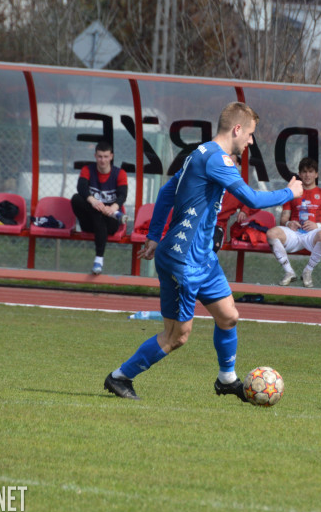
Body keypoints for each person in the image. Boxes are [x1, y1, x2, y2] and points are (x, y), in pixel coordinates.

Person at [103, 102, 303, 400]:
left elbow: (167, 192)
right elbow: (251, 198)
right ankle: (120, 377)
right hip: (183, 261)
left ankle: (226, 379)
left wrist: (156, 235)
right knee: (177, 337)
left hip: (202, 258)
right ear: (237, 129)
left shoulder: (200, 153)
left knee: (228, 316)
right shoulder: (217, 161)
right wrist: (291, 193)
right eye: (249, 134)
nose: (250, 141)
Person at [264, 157, 321, 288]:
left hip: (313, 234)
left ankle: (308, 271)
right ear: (299, 174)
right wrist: (288, 224)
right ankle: (289, 272)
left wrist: (317, 225)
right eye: (304, 171)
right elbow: (284, 218)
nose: (307, 175)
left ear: (316, 174)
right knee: (271, 233)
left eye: (310, 171)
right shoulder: (292, 193)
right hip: (295, 233)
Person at [71, 141, 128, 275]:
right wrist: (93, 201)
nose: (103, 160)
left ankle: (99, 259)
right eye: (100, 156)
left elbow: (123, 195)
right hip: (89, 221)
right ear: (95, 156)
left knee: (99, 216)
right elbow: (81, 187)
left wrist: (113, 207)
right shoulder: (88, 170)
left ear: (111, 156)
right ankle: (99, 260)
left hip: (110, 222)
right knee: (77, 198)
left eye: (106, 156)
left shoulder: (119, 173)